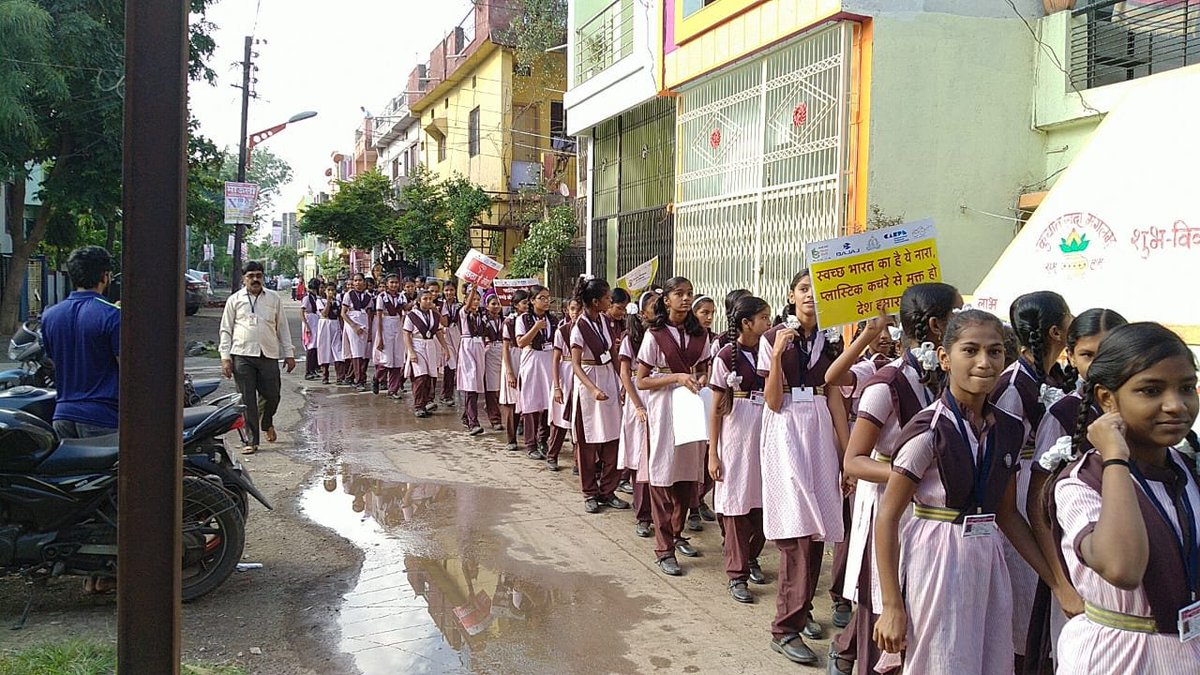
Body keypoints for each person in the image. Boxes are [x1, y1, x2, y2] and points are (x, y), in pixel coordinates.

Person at [874, 310, 1063, 675]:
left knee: (988, 655)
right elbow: (888, 516)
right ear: (945, 358)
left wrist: (1056, 582)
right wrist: (891, 604)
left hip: (986, 554)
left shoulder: (1007, 428)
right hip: (936, 556)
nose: (984, 362)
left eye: (995, 352)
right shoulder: (929, 430)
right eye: (970, 350)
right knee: (940, 659)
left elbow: (1007, 514)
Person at [1046, 322, 1200, 673]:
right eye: (1151, 391)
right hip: (1119, 655)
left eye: (1187, 387)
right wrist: (1115, 456)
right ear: (1106, 398)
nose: (1176, 405)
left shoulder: (1185, 468)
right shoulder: (1082, 482)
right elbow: (1123, 568)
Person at [824, 282, 961, 675]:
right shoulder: (887, 384)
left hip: (925, 515)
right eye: (958, 313)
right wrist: (910, 475)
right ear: (938, 326)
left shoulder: (945, 380)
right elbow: (854, 461)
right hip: (888, 507)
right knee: (881, 611)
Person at [1026, 308, 1127, 668]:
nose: (1099, 363)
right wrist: (1060, 584)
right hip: (1077, 570)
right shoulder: (1064, 414)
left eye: (1110, 353)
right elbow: (1038, 510)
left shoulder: (1140, 411)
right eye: (1087, 355)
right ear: (1070, 355)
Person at [758, 269, 848, 666]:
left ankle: (801, 608)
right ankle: (785, 625)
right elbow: (773, 401)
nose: (811, 296)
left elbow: (835, 397)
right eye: (803, 289)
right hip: (786, 430)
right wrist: (777, 356)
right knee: (795, 526)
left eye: (817, 289)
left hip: (820, 432)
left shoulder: (830, 339)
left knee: (817, 529)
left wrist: (848, 455)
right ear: (791, 296)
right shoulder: (772, 337)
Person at [993, 290, 1074, 670]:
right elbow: (1003, 449)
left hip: (1041, 480)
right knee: (1023, 592)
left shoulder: (1051, 374)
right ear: (1057, 331)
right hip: (1021, 484)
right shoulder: (1014, 384)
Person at [636, 277, 711, 577]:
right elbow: (642, 380)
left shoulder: (699, 334)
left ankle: (677, 533)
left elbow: (704, 368)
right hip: (665, 408)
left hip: (690, 406)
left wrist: (700, 380)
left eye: (689, 294)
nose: (684, 299)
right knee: (663, 472)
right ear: (666, 300)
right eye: (678, 294)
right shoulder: (655, 335)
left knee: (686, 474)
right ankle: (663, 546)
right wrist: (677, 378)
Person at [708, 295, 772, 604]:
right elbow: (715, 406)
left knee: (762, 503)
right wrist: (713, 451)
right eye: (763, 319)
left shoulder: (771, 352)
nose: (768, 324)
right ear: (746, 323)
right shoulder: (724, 356)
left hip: (767, 435)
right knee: (736, 504)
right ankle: (737, 574)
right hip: (736, 439)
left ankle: (751, 555)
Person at [40, 246, 121, 439]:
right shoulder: (112, 315)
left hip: (62, 415)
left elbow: (53, 361)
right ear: (105, 276)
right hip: (102, 417)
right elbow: (128, 371)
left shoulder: (50, 316)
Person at [219, 260, 296, 455]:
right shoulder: (235, 300)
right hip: (242, 355)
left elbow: (283, 328)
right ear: (244, 279)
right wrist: (225, 357)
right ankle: (251, 441)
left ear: (263, 277)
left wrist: (289, 353)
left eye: (258, 276)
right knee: (246, 400)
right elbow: (225, 330)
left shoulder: (273, 298)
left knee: (273, 396)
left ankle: (266, 422)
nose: (255, 279)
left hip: (268, 354)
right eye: (251, 276)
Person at [569, 277, 629, 513]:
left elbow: (613, 354)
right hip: (589, 383)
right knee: (588, 442)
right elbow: (575, 365)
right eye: (606, 298)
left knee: (613, 438)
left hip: (608, 379)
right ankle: (589, 492)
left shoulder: (604, 321)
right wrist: (592, 388)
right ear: (595, 302)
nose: (609, 301)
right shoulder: (579, 327)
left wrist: (622, 382)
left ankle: (608, 489)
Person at [620, 291, 658, 538]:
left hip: (661, 395)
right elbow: (626, 374)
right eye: (655, 306)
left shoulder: (665, 335)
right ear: (643, 313)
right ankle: (643, 514)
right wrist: (637, 405)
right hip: (640, 397)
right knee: (641, 457)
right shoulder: (631, 338)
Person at [688, 294, 719, 532]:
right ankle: (691, 506)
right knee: (691, 456)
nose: (708, 318)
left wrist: (704, 378)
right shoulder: (687, 337)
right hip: (685, 398)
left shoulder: (714, 339)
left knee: (709, 451)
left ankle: (699, 499)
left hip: (707, 398)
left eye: (711, 313)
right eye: (704, 312)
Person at [517, 286, 557, 458]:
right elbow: (521, 342)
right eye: (542, 298)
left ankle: (543, 440)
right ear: (532, 301)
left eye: (548, 298)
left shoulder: (553, 320)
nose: (546, 301)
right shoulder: (523, 319)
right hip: (531, 360)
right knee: (531, 403)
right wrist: (535, 328)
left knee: (547, 404)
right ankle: (530, 444)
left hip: (548, 360)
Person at [546, 298, 582, 469]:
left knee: (578, 420)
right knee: (560, 419)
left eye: (579, 309)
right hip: (566, 373)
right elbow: (555, 360)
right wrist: (557, 386)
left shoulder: (587, 330)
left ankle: (578, 461)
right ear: (567, 310)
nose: (576, 312)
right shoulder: (562, 331)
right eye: (573, 309)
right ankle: (552, 455)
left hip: (582, 374)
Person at [403, 288, 449, 418]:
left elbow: (438, 332)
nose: (428, 301)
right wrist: (411, 351)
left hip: (430, 345)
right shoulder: (411, 316)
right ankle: (418, 406)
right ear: (419, 301)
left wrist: (445, 348)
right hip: (417, 344)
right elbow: (406, 334)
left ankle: (425, 402)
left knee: (430, 376)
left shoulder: (434, 315)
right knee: (420, 376)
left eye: (430, 299)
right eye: (425, 299)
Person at [499, 290, 530, 452]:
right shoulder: (509, 322)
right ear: (516, 305)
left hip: (527, 357)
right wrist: (509, 371)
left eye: (528, 302)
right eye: (524, 303)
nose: (527, 306)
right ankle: (511, 438)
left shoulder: (530, 320)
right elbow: (505, 347)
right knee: (512, 400)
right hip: (513, 357)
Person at [456, 285, 488, 435]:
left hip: (479, 347)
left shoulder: (481, 315)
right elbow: (467, 307)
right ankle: (473, 422)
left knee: (476, 383)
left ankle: (466, 415)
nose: (475, 302)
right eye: (472, 299)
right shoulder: (463, 313)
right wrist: (474, 289)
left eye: (477, 299)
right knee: (470, 382)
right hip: (468, 346)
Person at [374, 274, 408, 400]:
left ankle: (393, 389)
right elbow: (379, 316)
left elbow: (406, 307)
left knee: (397, 359)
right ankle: (377, 377)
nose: (394, 285)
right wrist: (380, 336)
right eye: (391, 282)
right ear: (387, 284)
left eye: (396, 282)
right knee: (387, 359)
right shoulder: (382, 297)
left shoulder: (401, 296)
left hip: (397, 324)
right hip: (386, 324)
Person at [341, 273, 372, 392]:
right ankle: (358, 380)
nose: (358, 283)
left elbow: (369, 314)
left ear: (364, 282)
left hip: (364, 323)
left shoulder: (368, 296)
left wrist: (369, 330)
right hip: (353, 323)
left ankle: (360, 377)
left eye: (360, 280)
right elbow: (343, 313)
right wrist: (353, 326)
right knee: (356, 352)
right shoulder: (349, 295)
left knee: (363, 352)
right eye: (356, 281)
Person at [480, 293, 505, 431]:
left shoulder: (505, 320)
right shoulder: (483, 320)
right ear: (487, 305)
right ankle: (495, 418)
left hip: (503, 352)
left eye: (498, 304)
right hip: (489, 352)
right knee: (492, 386)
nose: (496, 307)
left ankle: (493, 408)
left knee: (502, 386)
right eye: (493, 304)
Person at [316, 283, 345, 385]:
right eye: (329, 290)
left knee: (338, 349)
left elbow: (339, 316)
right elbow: (324, 313)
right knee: (324, 349)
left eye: (333, 290)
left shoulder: (337, 302)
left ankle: (340, 377)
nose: (331, 292)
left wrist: (342, 329)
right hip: (325, 324)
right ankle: (325, 375)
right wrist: (328, 301)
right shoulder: (320, 301)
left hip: (335, 324)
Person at [441, 282, 462, 407]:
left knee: (453, 365)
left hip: (456, 334)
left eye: (452, 290)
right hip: (443, 335)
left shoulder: (459, 306)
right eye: (447, 290)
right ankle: (445, 394)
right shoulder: (440, 304)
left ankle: (448, 394)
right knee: (447, 364)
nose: (449, 293)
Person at [300, 279, 321, 380]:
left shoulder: (315, 297)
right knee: (311, 346)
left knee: (315, 346)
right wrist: (306, 325)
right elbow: (301, 312)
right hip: (309, 320)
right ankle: (308, 371)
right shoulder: (307, 298)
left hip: (315, 319)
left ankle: (313, 369)